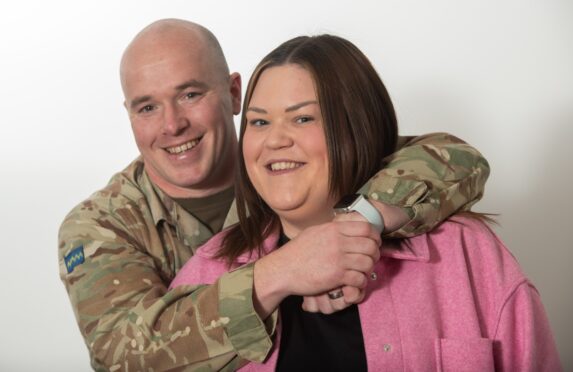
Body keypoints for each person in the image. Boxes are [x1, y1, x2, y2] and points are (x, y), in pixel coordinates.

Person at [58, 19, 490, 370]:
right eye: (147, 107)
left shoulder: (297, 168)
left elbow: (452, 159)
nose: (172, 125)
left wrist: (359, 224)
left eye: (190, 95)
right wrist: (282, 270)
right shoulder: (100, 225)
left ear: (232, 94)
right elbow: (121, 355)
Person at [171, 34, 561, 371]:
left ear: (357, 128)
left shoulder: (466, 253)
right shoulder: (208, 273)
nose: (275, 140)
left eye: (303, 119)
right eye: (259, 122)